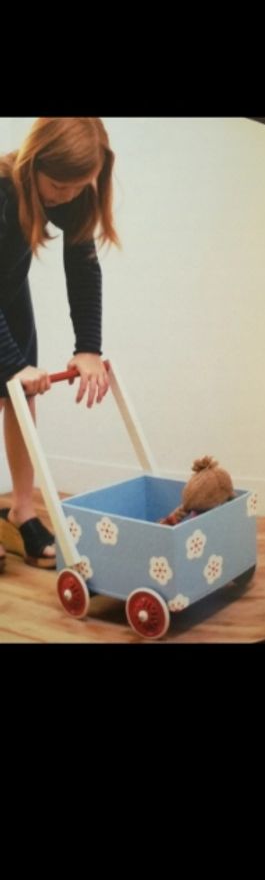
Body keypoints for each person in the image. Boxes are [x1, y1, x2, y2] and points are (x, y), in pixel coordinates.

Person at [0, 117, 119, 571]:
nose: (65, 197)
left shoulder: (73, 194)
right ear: (32, 164)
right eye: (57, 186)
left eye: (77, 188)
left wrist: (88, 348)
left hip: (9, 295)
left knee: (22, 396)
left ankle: (21, 510)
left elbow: (84, 267)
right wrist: (10, 362)